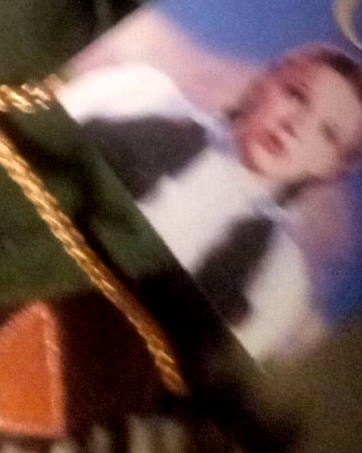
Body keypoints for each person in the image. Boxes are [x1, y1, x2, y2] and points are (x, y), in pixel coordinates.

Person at [60, 47, 362, 359]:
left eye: (327, 133)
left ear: (332, 167)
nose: (296, 126)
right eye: (297, 95)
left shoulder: (279, 277)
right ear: (267, 80)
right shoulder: (140, 97)